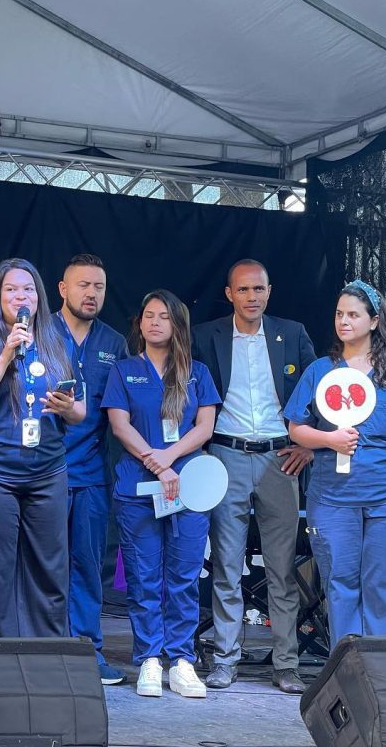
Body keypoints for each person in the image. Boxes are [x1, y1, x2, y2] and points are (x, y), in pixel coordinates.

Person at [284, 280, 386, 646]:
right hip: (334, 499)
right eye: (339, 314)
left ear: (374, 320)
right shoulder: (320, 371)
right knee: (341, 584)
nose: (344, 321)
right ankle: (347, 675)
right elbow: (295, 428)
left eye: (353, 314)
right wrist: (327, 439)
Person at [191, 258, 316, 695]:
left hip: (280, 458)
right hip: (226, 453)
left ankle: (286, 664)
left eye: (259, 289)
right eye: (243, 290)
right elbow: (189, 393)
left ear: (269, 291)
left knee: (282, 569)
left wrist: (307, 444)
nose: (252, 297)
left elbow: (319, 391)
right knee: (226, 565)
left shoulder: (293, 333)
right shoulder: (207, 335)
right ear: (229, 294)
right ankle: (225, 660)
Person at [0, 258, 85, 638]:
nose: (20, 296)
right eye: (11, 289)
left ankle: (46, 660)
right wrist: (6, 355)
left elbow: (80, 410)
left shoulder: (57, 343)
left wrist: (67, 407)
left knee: (50, 570)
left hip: (47, 474)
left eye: (27, 289)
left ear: (39, 297)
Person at [103, 289, 220, 699]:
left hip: (189, 488)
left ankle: (182, 661)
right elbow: (119, 426)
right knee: (144, 576)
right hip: (138, 487)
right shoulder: (123, 371)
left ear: (177, 325)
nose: (154, 322)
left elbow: (204, 428)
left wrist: (170, 458)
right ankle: (150, 659)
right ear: (139, 323)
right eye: (148, 315)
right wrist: (158, 465)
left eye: (163, 316)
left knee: (184, 577)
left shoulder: (198, 373)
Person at [51, 254, 129, 685]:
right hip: (40, 472)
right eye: (82, 285)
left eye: (98, 286)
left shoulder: (114, 342)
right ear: (62, 289)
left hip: (92, 475)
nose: (91, 293)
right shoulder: (38, 333)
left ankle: (87, 650)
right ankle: (44, 647)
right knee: (43, 565)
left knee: (86, 565)